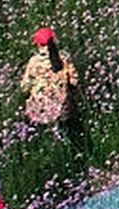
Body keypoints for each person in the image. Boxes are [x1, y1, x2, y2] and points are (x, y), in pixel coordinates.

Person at [20, 28, 83, 157]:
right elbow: (75, 81)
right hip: (63, 109)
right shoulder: (64, 58)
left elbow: (24, 87)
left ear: (37, 44)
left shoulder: (34, 62)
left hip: (40, 111)